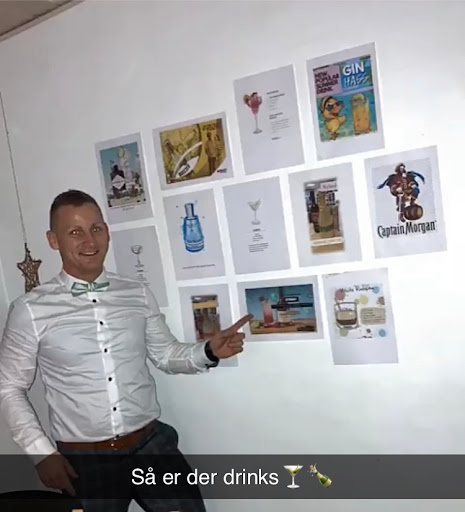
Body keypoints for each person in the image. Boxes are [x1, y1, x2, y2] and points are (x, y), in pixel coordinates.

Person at [0, 189, 252, 512]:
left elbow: (165, 354)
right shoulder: (30, 309)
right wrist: (41, 453)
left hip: (151, 446)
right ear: (53, 240)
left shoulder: (137, 293)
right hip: (83, 461)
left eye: (96, 228)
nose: (89, 241)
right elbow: (9, 386)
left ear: (106, 231)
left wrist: (209, 351)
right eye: (75, 232)